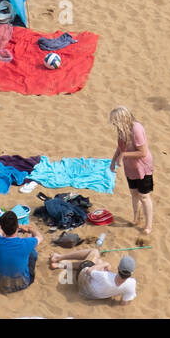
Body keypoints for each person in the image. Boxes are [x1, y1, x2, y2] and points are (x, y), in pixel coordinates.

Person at [109, 106, 154, 234]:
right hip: (130, 167)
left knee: (144, 196)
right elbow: (120, 147)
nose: (114, 124)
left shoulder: (136, 129)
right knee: (134, 193)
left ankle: (148, 225)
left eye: (115, 121)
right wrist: (113, 161)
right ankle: (136, 218)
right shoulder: (121, 129)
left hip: (142, 166)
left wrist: (124, 155)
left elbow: (143, 152)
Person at [47, 248, 138, 304]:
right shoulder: (131, 284)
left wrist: (105, 264)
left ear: (118, 267)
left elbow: (89, 271)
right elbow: (124, 303)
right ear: (131, 273)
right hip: (95, 295)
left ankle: (59, 257)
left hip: (83, 284)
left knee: (94, 252)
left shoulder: (105, 276)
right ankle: (60, 265)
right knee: (98, 262)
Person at [0, 210, 42, 293]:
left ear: (3, 227)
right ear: (17, 226)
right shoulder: (26, 243)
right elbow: (40, 237)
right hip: (22, 284)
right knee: (32, 253)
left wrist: (15, 227)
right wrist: (30, 229)